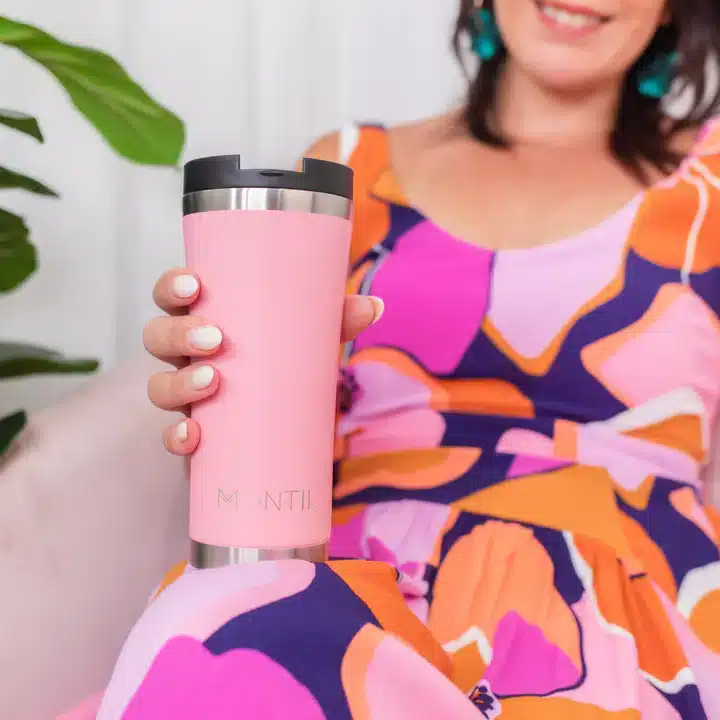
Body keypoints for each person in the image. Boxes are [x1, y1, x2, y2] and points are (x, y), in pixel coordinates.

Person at [106, 0, 720, 717]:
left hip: (614, 605)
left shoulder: (711, 182)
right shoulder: (348, 167)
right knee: (217, 649)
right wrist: (218, 400)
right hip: (344, 582)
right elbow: (261, 470)